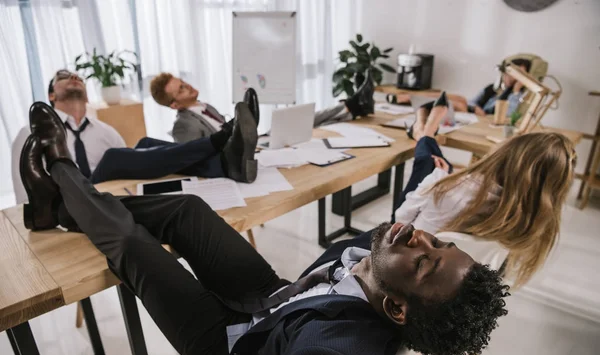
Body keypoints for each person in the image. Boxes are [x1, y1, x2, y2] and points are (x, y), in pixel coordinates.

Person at [20, 101, 509, 355]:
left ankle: (63, 175)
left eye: (424, 261)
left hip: (230, 350)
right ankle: (63, 208)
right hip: (272, 299)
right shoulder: (392, 259)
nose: (421, 238)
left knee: (130, 245)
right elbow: (413, 225)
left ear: (396, 308)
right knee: (188, 208)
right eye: (438, 242)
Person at [394, 93, 576, 287]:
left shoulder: (443, 187)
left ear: (504, 154)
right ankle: (424, 132)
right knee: (442, 168)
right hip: (446, 290)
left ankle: (425, 131)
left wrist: (436, 179)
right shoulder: (526, 223)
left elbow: (400, 220)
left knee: (427, 165)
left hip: (403, 267)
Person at [11, 70, 261, 204]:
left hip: (106, 198)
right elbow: (26, 191)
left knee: (145, 145)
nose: (74, 78)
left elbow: (136, 165)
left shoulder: (104, 131)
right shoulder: (33, 133)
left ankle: (226, 164)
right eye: (64, 77)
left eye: (78, 77)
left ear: (87, 96)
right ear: (51, 96)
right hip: (71, 200)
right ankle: (220, 144)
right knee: (112, 158)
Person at [149, 70, 375, 143]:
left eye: (183, 82)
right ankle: (355, 106)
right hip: (243, 155)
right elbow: (200, 157)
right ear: (175, 104)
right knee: (303, 122)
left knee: (304, 119)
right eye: (180, 90)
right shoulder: (183, 125)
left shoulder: (203, 105)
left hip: (251, 142)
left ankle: (354, 107)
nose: (187, 86)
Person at [388, 58, 532, 117]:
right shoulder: (493, 88)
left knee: (459, 104)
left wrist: (516, 91)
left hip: (486, 119)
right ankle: (407, 98)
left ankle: (406, 99)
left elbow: (508, 115)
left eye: (518, 74)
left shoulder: (520, 95)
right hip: (476, 112)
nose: (512, 77)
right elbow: (473, 101)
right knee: (460, 99)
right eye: (511, 72)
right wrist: (474, 108)